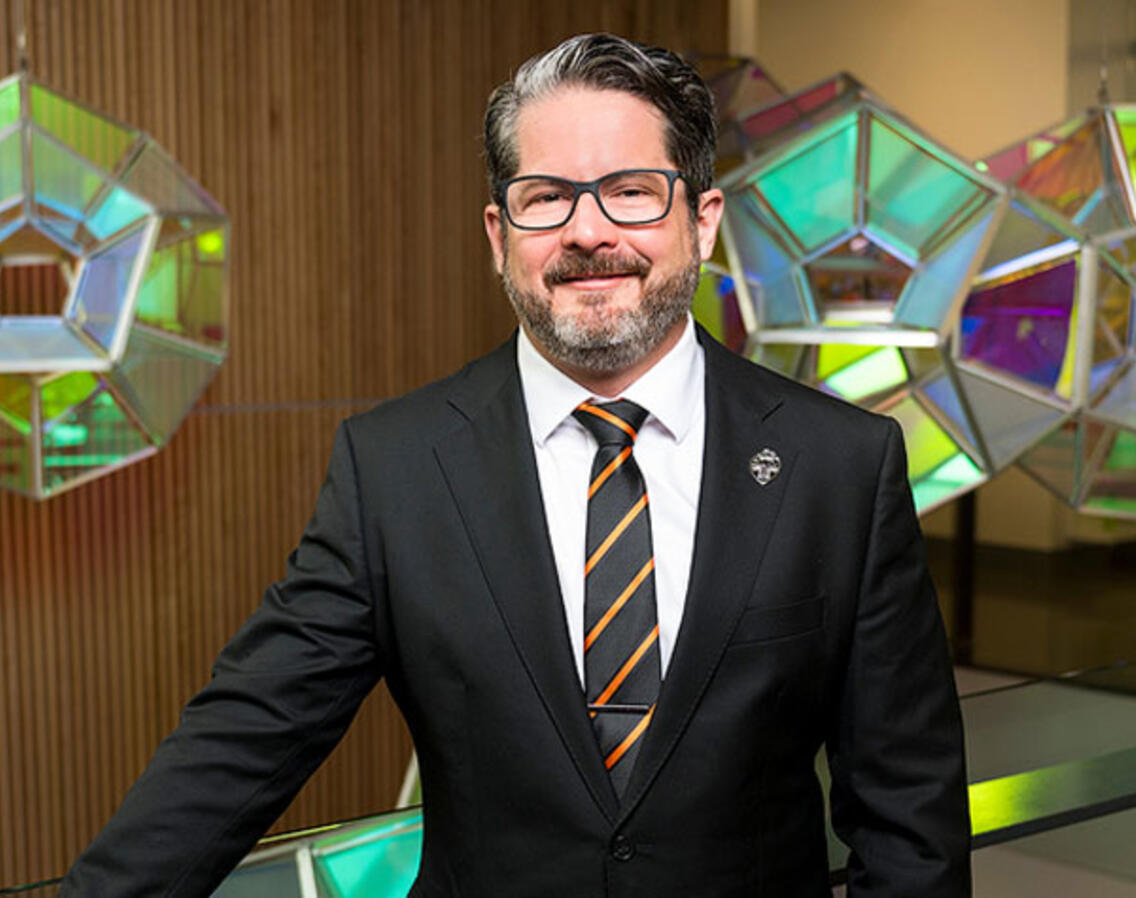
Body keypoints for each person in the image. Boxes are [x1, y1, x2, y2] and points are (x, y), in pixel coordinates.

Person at [62, 33, 970, 897]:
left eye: (632, 191)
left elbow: (908, 813)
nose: (587, 231)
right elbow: (246, 739)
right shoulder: (397, 468)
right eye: (546, 197)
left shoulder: (840, 465)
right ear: (500, 235)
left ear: (701, 218)